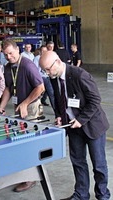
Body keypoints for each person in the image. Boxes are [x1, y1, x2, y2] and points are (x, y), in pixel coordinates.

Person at [39, 51, 111, 200]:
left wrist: (81, 120)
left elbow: (95, 100)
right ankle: (81, 194)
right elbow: (59, 100)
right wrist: (60, 115)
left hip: (92, 126)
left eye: (48, 69)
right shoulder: (54, 77)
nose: (46, 73)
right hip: (72, 127)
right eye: (44, 70)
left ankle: (103, 195)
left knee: (98, 164)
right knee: (78, 162)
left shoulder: (79, 75)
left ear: (58, 62)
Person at [0, 38, 45, 192]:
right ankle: (24, 174)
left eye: (11, 53)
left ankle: (31, 179)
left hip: (30, 107)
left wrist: (25, 103)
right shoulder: (7, 67)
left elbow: (40, 87)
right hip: (18, 107)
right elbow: (8, 89)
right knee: (20, 141)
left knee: (29, 143)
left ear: (17, 50)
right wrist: (1, 106)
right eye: (5, 55)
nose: (9, 57)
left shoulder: (27, 65)